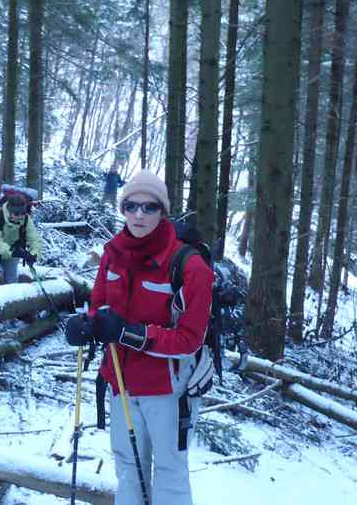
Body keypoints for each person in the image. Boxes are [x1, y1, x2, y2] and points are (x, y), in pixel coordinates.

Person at [65, 170, 214, 505]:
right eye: (131, 206)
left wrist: (128, 333)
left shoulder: (189, 267)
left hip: (169, 390)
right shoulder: (113, 253)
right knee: (128, 471)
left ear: (163, 212)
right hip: (120, 382)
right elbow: (100, 307)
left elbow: (189, 339)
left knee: (170, 475)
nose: (139, 215)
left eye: (149, 207)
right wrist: (85, 326)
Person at [0, 193, 41, 284]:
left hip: (11, 254)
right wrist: (12, 252)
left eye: (22, 213)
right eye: (16, 214)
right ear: (9, 210)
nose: (20, 217)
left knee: (11, 281)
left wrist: (34, 254)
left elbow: (35, 239)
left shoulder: (26, 219)